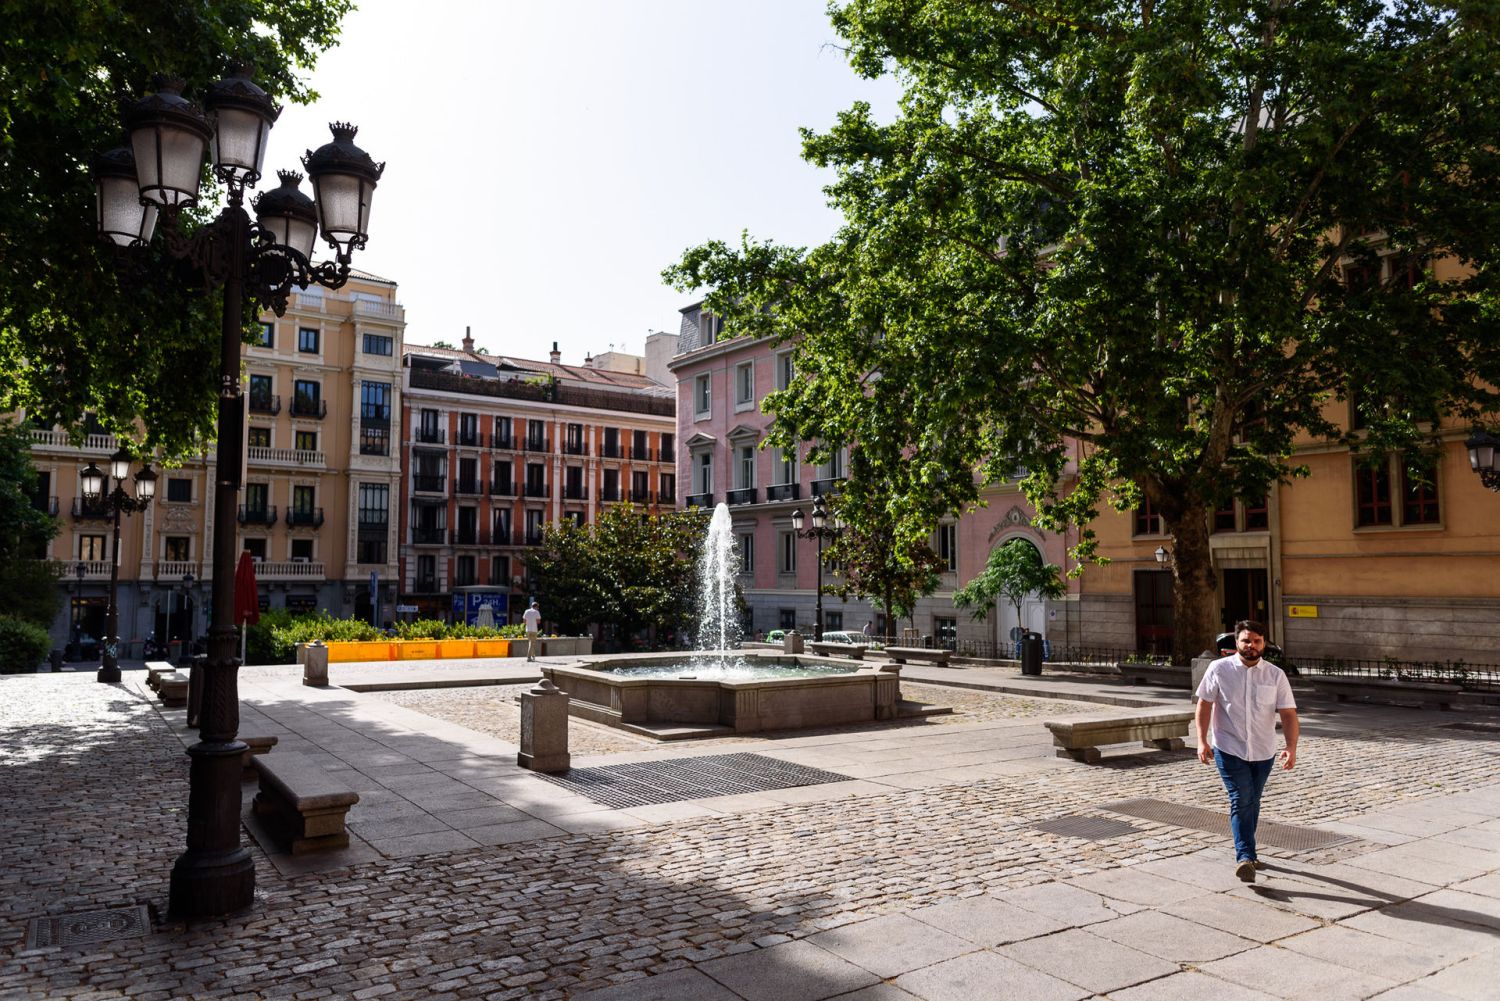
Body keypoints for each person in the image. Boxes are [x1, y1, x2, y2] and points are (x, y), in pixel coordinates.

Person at [1194, 619, 1300, 883]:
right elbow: (1204, 705)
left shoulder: (1275, 675)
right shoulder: (1219, 669)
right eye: (1246, 640)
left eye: (1256, 641)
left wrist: (1291, 747)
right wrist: (1201, 740)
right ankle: (1244, 856)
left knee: (1252, 800)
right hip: (1229, 747)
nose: (1251, 645)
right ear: (1236, 641)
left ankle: (1249, 854)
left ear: (1263, 644)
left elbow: (1288, 714)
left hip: (1264, 751)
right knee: (1241, 798)